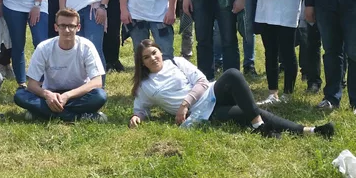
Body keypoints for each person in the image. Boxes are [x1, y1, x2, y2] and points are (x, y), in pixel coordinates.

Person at [127, 40, 334, 139]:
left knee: (233, 74)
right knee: (251, 111)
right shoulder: (145, 86)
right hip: (202, 114)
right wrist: (137, 117)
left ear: (160, 52)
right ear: (141, 63)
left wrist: (184, 104)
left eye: (154, 53)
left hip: (212, 92)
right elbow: (140, 109)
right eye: (146, 57)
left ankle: (258, 126)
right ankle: (311, 131)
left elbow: (201, 81)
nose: (152, 58)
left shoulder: (177, 62)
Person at [14, 9, 108, 122]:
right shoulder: (43, 48)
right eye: (62, 26)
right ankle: (78, 117)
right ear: (56, 27)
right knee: (20, 95)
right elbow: (32, 85)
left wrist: (67, 95)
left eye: (71, 26)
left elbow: (97, 82)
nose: (67, 30)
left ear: (78, 27)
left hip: (78, 94)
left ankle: (42, 113)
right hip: (51, 94)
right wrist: (47, 95)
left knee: (100, 96)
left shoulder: (87, 47)